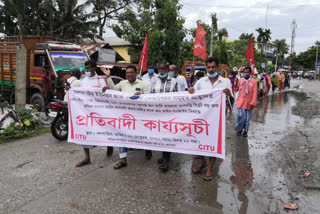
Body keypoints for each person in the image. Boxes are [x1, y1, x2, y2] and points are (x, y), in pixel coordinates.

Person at [188, 56, 233, 181]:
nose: (211, 69)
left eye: (213, 67)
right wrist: (191, 90)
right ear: (206, 68)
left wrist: (229, 94)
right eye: (208, 67)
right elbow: (193, 97)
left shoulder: (225, 82)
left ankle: (210, 168)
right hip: (202, 118)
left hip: (217, 120)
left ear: (218, 68)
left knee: (214, 144)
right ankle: (202, 161)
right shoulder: (201, 82)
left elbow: (231, 102)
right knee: (199, 142)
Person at [102, 65, 151, 169]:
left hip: (139, 116)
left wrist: (141, 97)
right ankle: (123, 159)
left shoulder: (143, 84)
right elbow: (114, 89)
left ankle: (148, 149)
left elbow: (149, 99)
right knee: (122, 135)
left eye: (131, 72)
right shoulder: (122, 83)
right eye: (127, 72)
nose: (129, 74)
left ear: (136, 73)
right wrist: (108, 77)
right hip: (125, 116)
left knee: (143, 134)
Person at [75, 60, 113, 167]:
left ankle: (109, 144)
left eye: (89, 68)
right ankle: (87, 157)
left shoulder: (101, 80)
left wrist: (106, 90)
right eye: (86, 68)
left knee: (104, 129)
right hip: (86, 111)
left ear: (94, 68)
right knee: (84, 131)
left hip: (99, 111)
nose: (87, 70)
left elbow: (107, 94)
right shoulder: (83, 81)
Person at [150, 61, 181, 172]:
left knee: (168, 136)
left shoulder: (174, 82)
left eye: (164, 69)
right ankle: (164, 156)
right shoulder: (153, 82)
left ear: (168, 70)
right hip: (157, 114)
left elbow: (179, 98)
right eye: (160, 69)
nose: (162, 71)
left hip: (169, 115)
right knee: (160, 136)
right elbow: (149, 96)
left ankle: (166, 160)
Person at [234, 67, 257, 137]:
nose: (246, 73)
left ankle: (245, 131)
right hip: (240, 102)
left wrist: (252, 103)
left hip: (249, 103)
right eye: (244, 72)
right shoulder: (240, 80)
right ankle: (239, 129)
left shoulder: (253, 82)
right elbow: (235, 90)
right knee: (240, 117)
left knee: (247, 119)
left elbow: (255, 93)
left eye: (247, 72)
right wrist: (235, 83)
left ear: (250, 73)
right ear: (242, 73)